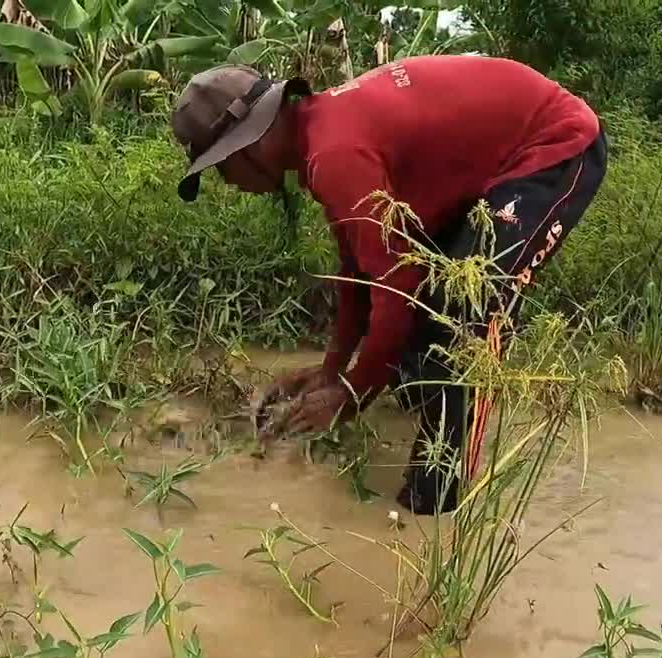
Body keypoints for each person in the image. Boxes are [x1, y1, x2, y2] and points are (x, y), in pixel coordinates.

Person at [169, 54, 608, 515]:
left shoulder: (335, 152)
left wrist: (352, 393)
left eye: (221, 168)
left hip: (553, 145)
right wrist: (333, 370)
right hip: (491, 164)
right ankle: (429, 415)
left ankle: (436, 505)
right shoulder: (322, 139)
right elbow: (359, 269)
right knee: (431, 311)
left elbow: (397, 288)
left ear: (248, 144)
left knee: (466, 315)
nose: (230, 183)